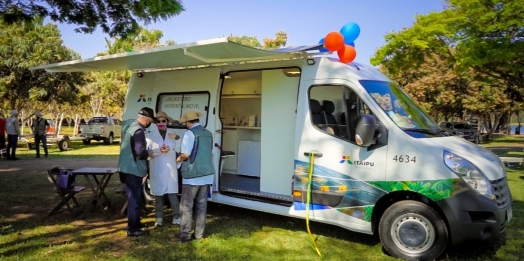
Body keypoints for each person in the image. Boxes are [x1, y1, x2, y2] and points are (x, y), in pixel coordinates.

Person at [117, 107, 156, 237]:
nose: (150, 123)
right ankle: (133, 229)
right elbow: (140, 152)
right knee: (135, 199)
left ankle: (134, 224)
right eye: (150, 120)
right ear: (147, 119)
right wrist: (149, 152)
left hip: (125, 167)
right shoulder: (138, 131)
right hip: (134, 169)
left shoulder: (129, 127)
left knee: (131, 197)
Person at [177, 111, 215, 242]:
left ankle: (185, 235)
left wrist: (178, 159)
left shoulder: (190, 133)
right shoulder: (208, 133)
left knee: (186, 206)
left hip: (192, 175)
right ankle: (199, 234)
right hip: (207, 175)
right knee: (202, 206)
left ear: (188, 122)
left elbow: (186, 154)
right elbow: (210, 153)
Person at [145, 111, 181, 227]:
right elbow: (147, 152)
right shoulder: (150, 136)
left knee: (172, 195)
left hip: (170, 169)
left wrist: (177, 138)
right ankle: (159, 218)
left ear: (167, 122)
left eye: (163, 121)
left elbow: (181, 147)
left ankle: (177, 216)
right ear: (155, 123)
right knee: (158, 196)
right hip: (157, 168)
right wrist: (159, 151)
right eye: (158, 121)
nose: (161, 123)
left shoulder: (173, 134)